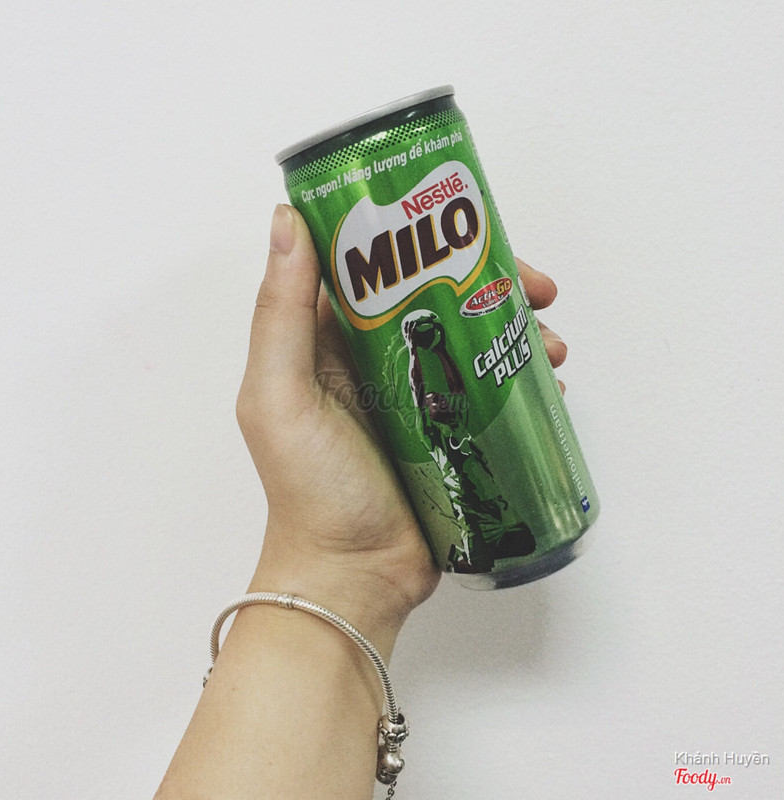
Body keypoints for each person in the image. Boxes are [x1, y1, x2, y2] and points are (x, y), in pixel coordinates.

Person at [154, 204, 568, 800]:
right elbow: (430, 397)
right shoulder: (424, 355)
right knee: (470, 482)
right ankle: (491, 528)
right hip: (446, 440)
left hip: (451, 440)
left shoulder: (431, 351)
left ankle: (495, 525)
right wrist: (342, 563)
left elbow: (441, 389)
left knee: (476, 480)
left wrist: (343, 571)